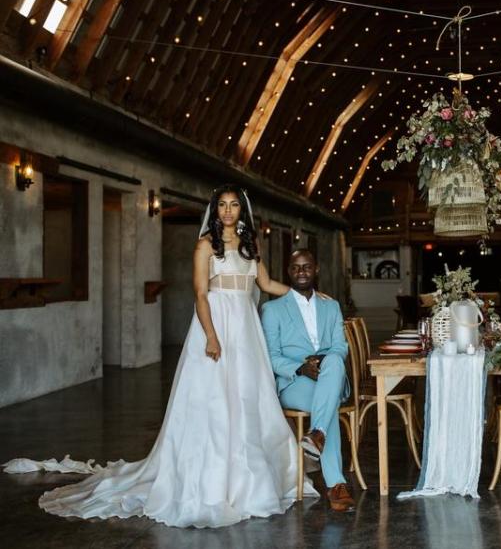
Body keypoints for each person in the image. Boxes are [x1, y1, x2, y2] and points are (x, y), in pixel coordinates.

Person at [3, 184, 316, 528]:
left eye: (234, 205)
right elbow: (200, 293)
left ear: (242, 210)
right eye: (222, 205)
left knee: (247, 396)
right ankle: (213, 478)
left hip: (246, 329)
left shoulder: (250, 247)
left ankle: (250, 474)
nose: (228, 211)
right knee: (213, 401)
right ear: (215, 210)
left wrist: (307, 297)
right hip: (217, 325)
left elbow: (268, 285)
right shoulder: (205, 245)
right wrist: (211, 336)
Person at [262, 249, 355, 513]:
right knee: (326, 403)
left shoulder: (331, 305)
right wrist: (301, 368)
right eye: (295, 267)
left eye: (306, 266)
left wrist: (323, 361)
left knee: (335, 360)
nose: (301, 271)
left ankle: (317, 436)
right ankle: (335, 482)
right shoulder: (272, 309)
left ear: (316, 270)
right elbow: (271, 356)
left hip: (330, 375)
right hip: (294, 383)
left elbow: (340, 347)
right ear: (288, 272)